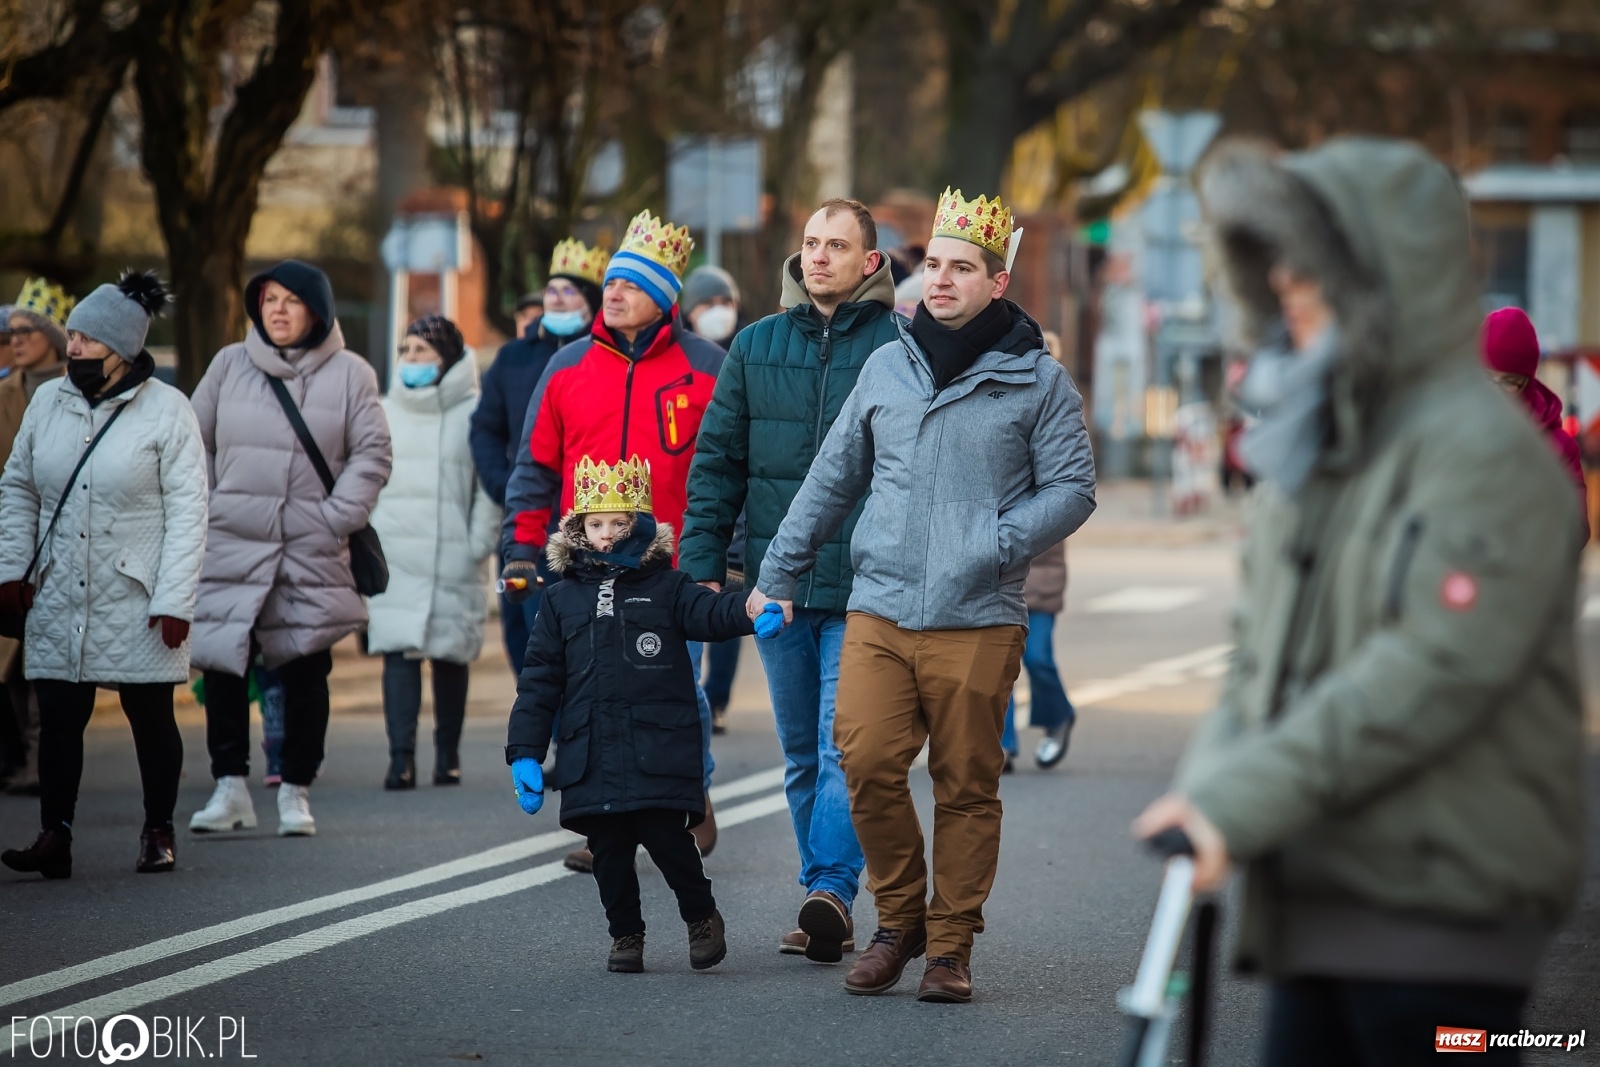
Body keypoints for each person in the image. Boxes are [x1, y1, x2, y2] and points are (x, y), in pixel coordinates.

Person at [1131, 138, 1586, 1066]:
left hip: (1445, 909)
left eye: (1316, 256)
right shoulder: (1315, 446)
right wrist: (1208, 791)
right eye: (1281, 256)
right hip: (1321, 895)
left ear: (1385, 272)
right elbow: (1256, 660)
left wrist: (1241, 800)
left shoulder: (1489, 456)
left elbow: (1428, 669)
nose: (1290, 279)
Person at [750, 188, 1097, 1002]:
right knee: (865, 759)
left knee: (966, 784)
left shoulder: (1038, 381)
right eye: (934, 264)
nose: (940, 280)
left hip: (976, 615)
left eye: (961, 268)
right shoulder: (888, 364)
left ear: (996, 282)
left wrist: (995, 544)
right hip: (881, 602)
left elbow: (1074, 488)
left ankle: (949, 948)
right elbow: (833, 478)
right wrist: (776, 573)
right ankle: (899, 921)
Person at [682, 197, 903, 961]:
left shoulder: (900, 348)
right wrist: (703, 569)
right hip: (775, 583)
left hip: (867, 586)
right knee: (802, 752)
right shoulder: (754, 346)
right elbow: (716, 465)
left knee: (844, 745)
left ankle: (832, 889)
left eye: (837, 246)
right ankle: (823, 892)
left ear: (869, 262)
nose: (818, 257)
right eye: (811, 243)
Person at [501, 209, 725, 871]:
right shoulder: (567, 366)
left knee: (678, 686)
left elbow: (728, 467)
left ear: (665, 296)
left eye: (632, 284)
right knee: (591, 693)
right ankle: (612, 821)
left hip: (673, 565)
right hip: (584, 565)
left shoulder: (708, 366)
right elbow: (535, 467)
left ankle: (690, 796)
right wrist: (520, 545)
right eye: (613, 282)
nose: (615, 292)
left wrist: (726, 554)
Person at [505, 456, 776, 973]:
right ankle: (625, 935)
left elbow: (708, 612)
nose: (607, 535)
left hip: (656, 746)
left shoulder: (668, 587)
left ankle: (701, 915)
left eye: (619, 523)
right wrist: (525, 753)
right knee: (607, 851)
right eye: (596, 523)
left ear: (641, 525)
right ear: (579, 529)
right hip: (590, 751)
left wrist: (747, 612)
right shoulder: (560, 600)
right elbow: (539, 680)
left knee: (668, 839)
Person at [0, 271, 207, 878]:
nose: (75, 347)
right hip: (61, 588)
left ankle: (158, 829)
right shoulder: (47, 401)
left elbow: (190, 511)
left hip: (137, 595)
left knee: (150, 717)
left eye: (88, 338)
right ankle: (54, 834)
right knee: (60, 715)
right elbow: (17, 489)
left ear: (122, 348)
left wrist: (175, 600)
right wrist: (12, 568)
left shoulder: (168, 411)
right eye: (72, 335)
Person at [188, 259, 393, 838]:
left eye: (291, 300)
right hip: (233, 540)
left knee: (308, 668)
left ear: (317, 310)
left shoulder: (351, 373)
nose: (277, 309)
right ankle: (229, 786)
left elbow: (372, 454)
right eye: (269, 299)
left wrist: (336, 518)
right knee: (224, 662)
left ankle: (295, 789)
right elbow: (191, 442)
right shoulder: (229, 365)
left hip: (311, 547)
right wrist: (211, 505)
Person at [367, 315, 499, 790]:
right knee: (398, 652)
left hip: (453, 554)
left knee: (450, 656)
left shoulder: (475, 412)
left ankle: (448, 756)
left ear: (447, 358)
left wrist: (479, 541)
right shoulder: (382, 410)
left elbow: (489, 485)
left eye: (423, 351)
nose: (412, 360)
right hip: (396, 554)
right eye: (406, 350)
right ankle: (400, 758)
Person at [470, 241, 608, 671]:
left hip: (584, 522)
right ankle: (543, 722)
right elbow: (485, 429)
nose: (558, 298)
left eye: (570, 291)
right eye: (552, 290)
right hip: (526, 517)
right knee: (524, 631)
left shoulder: (603, 356)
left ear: (590, 302)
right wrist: (504, 484)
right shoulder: (513, 357)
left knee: (579, 638)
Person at [0, 280, 73, 797]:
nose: (17, 339)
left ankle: (45, 755)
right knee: (11, 650)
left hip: (63, 537)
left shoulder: (77, 392)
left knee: (44, 651)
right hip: (8, 535)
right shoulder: (3, 394)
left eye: (28, 330)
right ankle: (26, 750)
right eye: (13, 332)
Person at [1480, 306, 1588, 526]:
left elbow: (1575, 529)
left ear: (1528, 382)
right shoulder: (1453, 434)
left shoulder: (1559, 449)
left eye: (1509, 382)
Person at [999, 540, 1076, 772]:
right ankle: (1001, 744)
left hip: (1041, 577)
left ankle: (1058, 716)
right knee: (998, 664)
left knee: (1037, 658)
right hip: (994, 582)